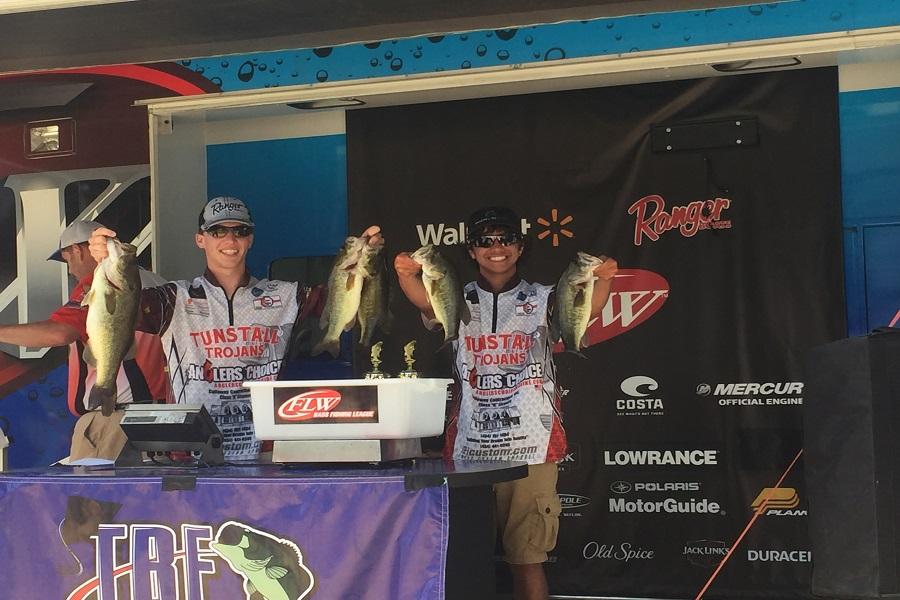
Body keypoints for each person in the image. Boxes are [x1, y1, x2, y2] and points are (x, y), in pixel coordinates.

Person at [394, 206, 618, 600]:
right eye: (485, 241)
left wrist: (603, 281)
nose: (496, 249)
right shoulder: (455, 295)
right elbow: (426, 305)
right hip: (469, 449)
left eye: (505, 239)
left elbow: (590, 309)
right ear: (471, 251)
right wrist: (405, 274)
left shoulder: (545, 295)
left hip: (532, 446)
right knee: (462, 558)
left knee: (526, 559)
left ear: (520, 246)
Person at [88, 196, 382, 461]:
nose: (230, 238)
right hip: (190, 453)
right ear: (200, 239)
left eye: (240, 231)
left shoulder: (284, 295)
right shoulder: (173, 297)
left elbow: (340, 302)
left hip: (265, 450)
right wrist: (104, 260)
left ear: (250, 239)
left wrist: (364, 259)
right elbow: (116, 312)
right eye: (218, 231)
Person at [0, 220, 171, 462]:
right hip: (161, 420)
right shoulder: (159, 282)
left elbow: (59, 333)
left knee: (94, 499)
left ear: (79, 251)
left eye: (68, 260)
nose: (70, 270)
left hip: (114, 422)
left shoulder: (102, 284)